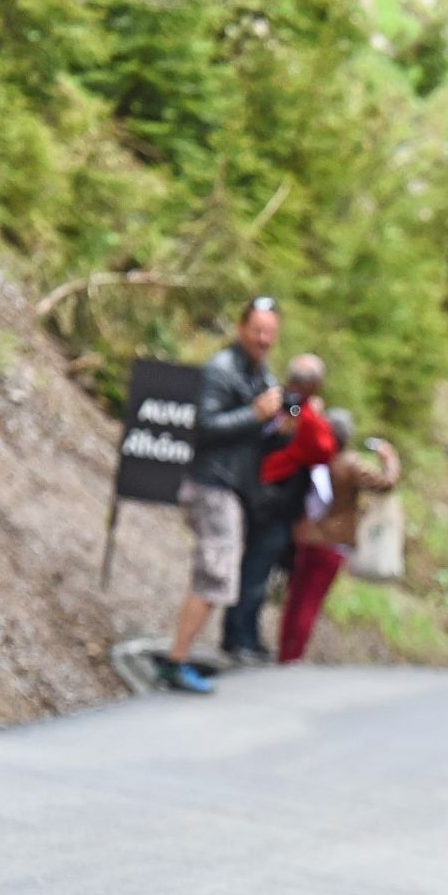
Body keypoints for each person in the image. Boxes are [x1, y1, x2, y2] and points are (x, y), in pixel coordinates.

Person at [157, 297, 287, 694]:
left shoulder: (259, 371)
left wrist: (279, 423)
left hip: (230, 488)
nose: (263, 339)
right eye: (257, 330)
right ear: (240, 328)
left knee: (218, 575)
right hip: (210, 485)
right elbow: (204, 426)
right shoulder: (221, 369)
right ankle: (176, 661)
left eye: (270, 332)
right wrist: (257, 415)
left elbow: (261, 422)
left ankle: (180, 657)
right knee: (216, 574)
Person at [221, 354, 335, 664]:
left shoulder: (284, 405)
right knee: (255, 572)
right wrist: (309, 414)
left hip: (268, 497)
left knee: (256, 571)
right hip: (269, 500)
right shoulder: (285, 407)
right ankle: (238, 638)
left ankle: (244, 635)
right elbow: (324, 448)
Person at [278, 410, 401, 663]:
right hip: (332, 543)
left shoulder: (316, 458)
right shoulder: (350, 464)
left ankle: (283, 651)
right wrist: (390, 460)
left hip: (305, 535)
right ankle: (293, 655)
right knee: (310, 600)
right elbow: (385, 483)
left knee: (295, 597)